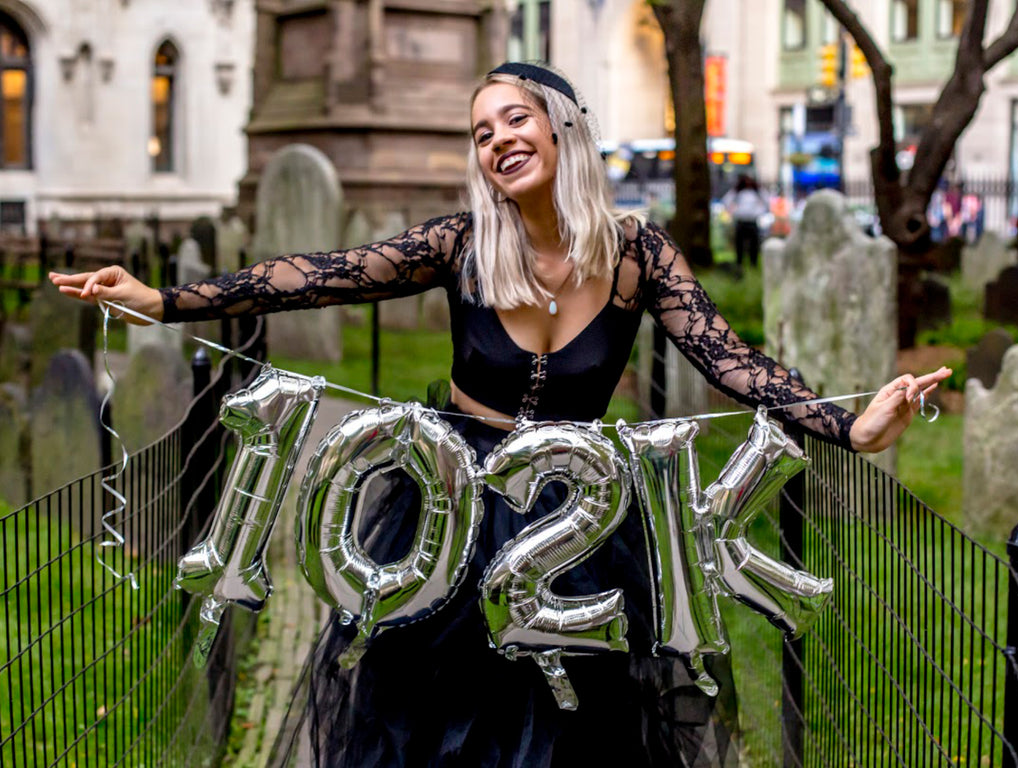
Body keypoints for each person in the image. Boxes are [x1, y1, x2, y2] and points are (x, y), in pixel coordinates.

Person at [50, 62, 949, 768]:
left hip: (578, 522)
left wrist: (851, 427)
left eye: (514, 119)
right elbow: (319, 276)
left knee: (574, 724)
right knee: (435, 718)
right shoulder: (462, 245)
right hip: (452, 510)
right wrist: (164, 301)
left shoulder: (638, 253)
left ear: (561, 125)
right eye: (482, 133)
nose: (497, 141)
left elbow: (729, 360)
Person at [721, 175, 769, 269]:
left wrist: (760, 211)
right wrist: (733, 211)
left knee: (754, 244)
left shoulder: (756, 192)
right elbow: (726, 200)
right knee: (739, 244)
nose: (748, 183)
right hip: (741, 221)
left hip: (752, 222)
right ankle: (739, 262)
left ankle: (753, 263)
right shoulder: (738, 192)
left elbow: (767, 200)